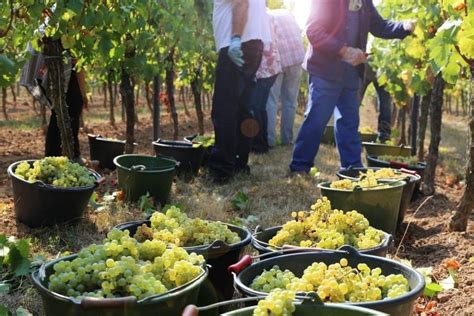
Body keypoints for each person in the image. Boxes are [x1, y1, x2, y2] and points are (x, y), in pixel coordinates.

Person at [289, 0, 415, 173]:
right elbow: (313, 31)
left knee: (349, 121)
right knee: (317, 119)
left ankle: (352, 167)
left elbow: (379, 26)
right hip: (325, 70)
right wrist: (342, 51)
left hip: (351, 71)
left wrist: (403, 27)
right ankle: (300, 166)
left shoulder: (364, 2)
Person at [209, 0, 271, 183]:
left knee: (224, 109)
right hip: (252, 43)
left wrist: (235, 38)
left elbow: (241, 2)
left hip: (238, 43)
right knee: (243, 109)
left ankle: (221, 170)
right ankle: (239, 163)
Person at [266, 9, 305, 148]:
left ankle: (269, 140)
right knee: (290, 101)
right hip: (296, 58)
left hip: (278, 60)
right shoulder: (287, 14)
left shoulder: (266, 16)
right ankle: (286, 139)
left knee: (272, 100)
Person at [251, 13, 282, 154]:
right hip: (271, 68)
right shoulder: (269, 15)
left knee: (255, 107)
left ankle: (259, 146)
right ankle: (262, 144)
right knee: (260, 107)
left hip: (264, 69)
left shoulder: (258, 17)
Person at [45, 60, 88, 160]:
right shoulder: (71, 47)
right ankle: (72, 158)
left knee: (56, 122)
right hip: (71, 85)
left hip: (59, 84)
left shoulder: (54, 49)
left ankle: (51, 158)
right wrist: (83, 93)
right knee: (70, 124)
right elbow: (78, 64)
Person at [358, 65, 392, 143]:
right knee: (385, 102)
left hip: (379, 65)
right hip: (373, 64)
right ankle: (384, 136)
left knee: (385, 102)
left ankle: (384, 136)